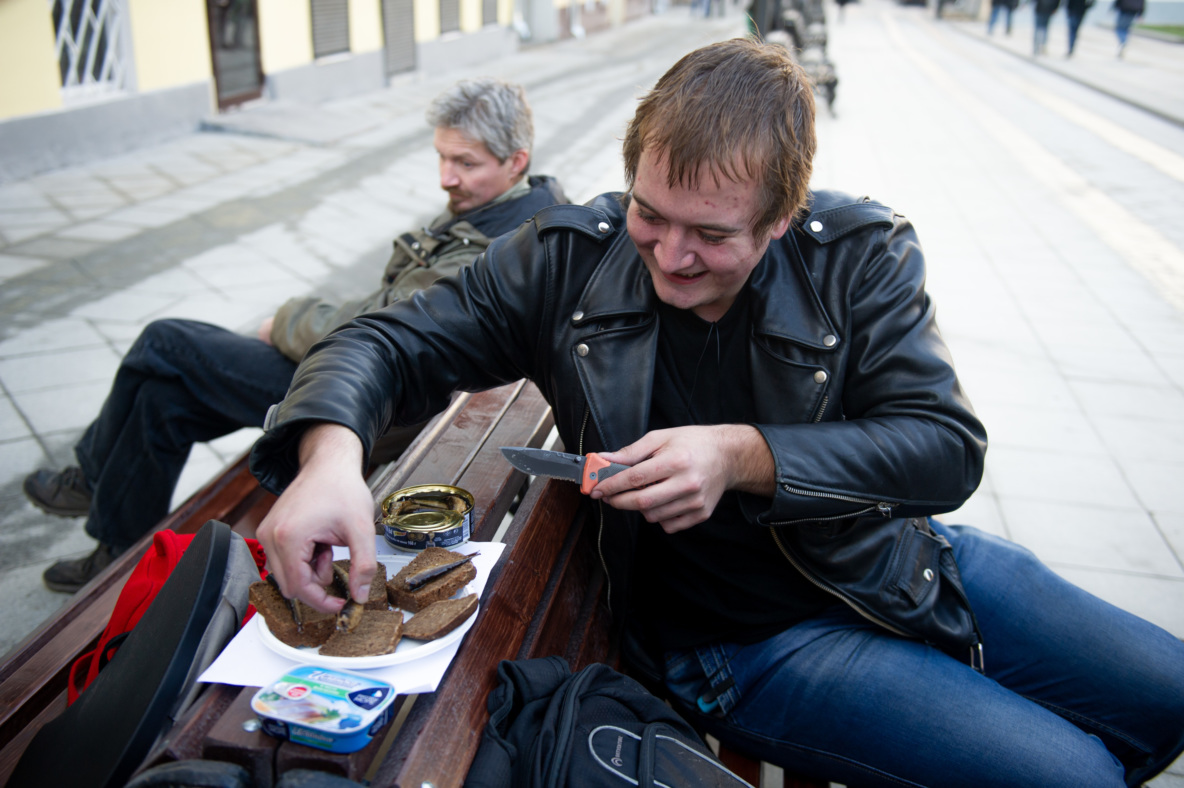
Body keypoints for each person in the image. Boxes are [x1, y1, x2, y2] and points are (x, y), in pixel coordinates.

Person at [248, 39, 1184, 787]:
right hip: (743, 643)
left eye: (713, 233)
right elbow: (381, 341)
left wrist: (743, 456)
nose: (670, 255)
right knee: (1074, 773)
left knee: (1167, 693)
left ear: (782, 216)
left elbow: (945, 449)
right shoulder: (568, 259)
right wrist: (331, 459)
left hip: (896, 563)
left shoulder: (859, 255)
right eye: (653, 214)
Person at [24, 78, 566, 594]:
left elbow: (377, 329)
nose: (447, 177)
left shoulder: (492, 243)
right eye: (443, 158)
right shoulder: (504, 206)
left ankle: (92, 482)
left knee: (166, 343)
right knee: (163, 397)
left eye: (465, 163)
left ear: (515, 161)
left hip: (376, 405)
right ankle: (118, 545)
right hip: (376, 385)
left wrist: (285, 320)